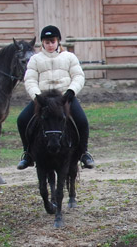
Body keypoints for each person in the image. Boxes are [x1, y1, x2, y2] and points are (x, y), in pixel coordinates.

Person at [16, 25, 94, 170]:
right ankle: (28, 154)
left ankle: (84, 153)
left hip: (65, 98)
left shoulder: (69, 57)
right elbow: (30, 79)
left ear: (58, 41)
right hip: (43, 100)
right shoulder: (35, 59)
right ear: (42, 43)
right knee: (22, 120)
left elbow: (78, 76)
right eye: (47, 42)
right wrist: (37, 96)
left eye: (52, 41)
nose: (50, 45)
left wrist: (71, 91)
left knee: (82, 121)